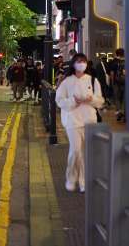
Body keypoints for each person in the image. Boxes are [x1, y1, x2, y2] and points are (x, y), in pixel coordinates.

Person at [55, 53, 104, 193]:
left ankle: (83, 182)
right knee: (75, 151)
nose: (81, 63)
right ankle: (71, 178)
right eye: (78, 61)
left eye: (83, 61)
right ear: (73, 63)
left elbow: (100, 101)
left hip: (89, 120)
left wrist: (91, 99)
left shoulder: (93, 80)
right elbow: (59, 100)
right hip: (72, 121)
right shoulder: (66, 81)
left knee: (85, 153)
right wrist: (73, 101)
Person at [108, 48, 125, 122]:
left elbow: (112, 73)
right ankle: (123, 112)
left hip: (116, 83)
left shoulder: (113, 62)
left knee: (117, 98)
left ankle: (118, 112)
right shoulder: (126, 61)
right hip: (124, 83)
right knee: (123, 98)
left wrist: (112, 83)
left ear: (116, 53)